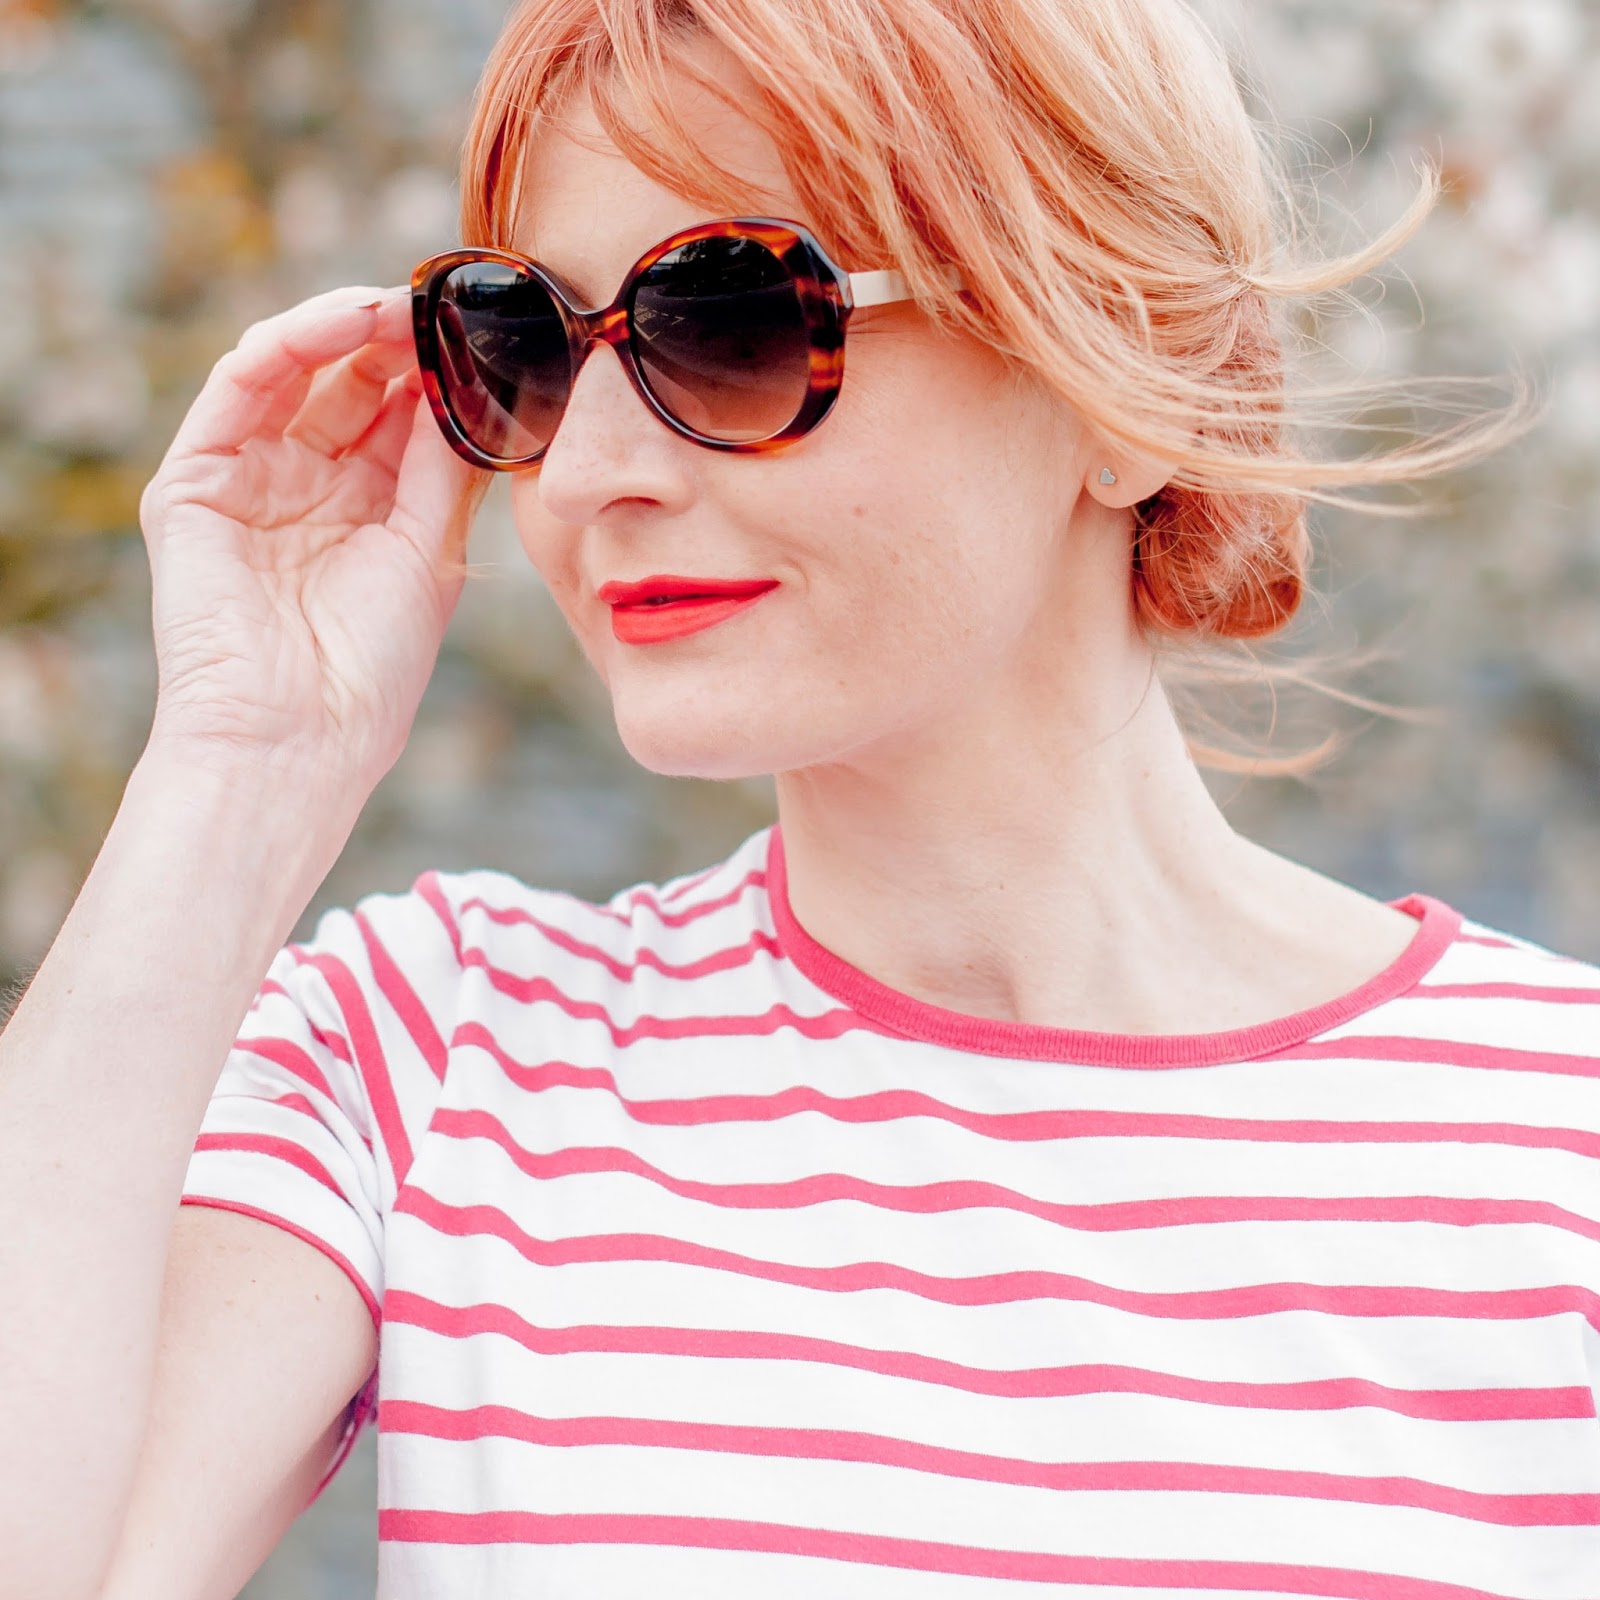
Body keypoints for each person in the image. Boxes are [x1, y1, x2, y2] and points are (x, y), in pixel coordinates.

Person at [2, 0, 1595, 1596]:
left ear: (1121, 380)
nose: (585, 476)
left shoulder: (1558, 1142)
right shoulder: (430, 1056)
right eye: (530, 347)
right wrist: (240, 767)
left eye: (730, 321)